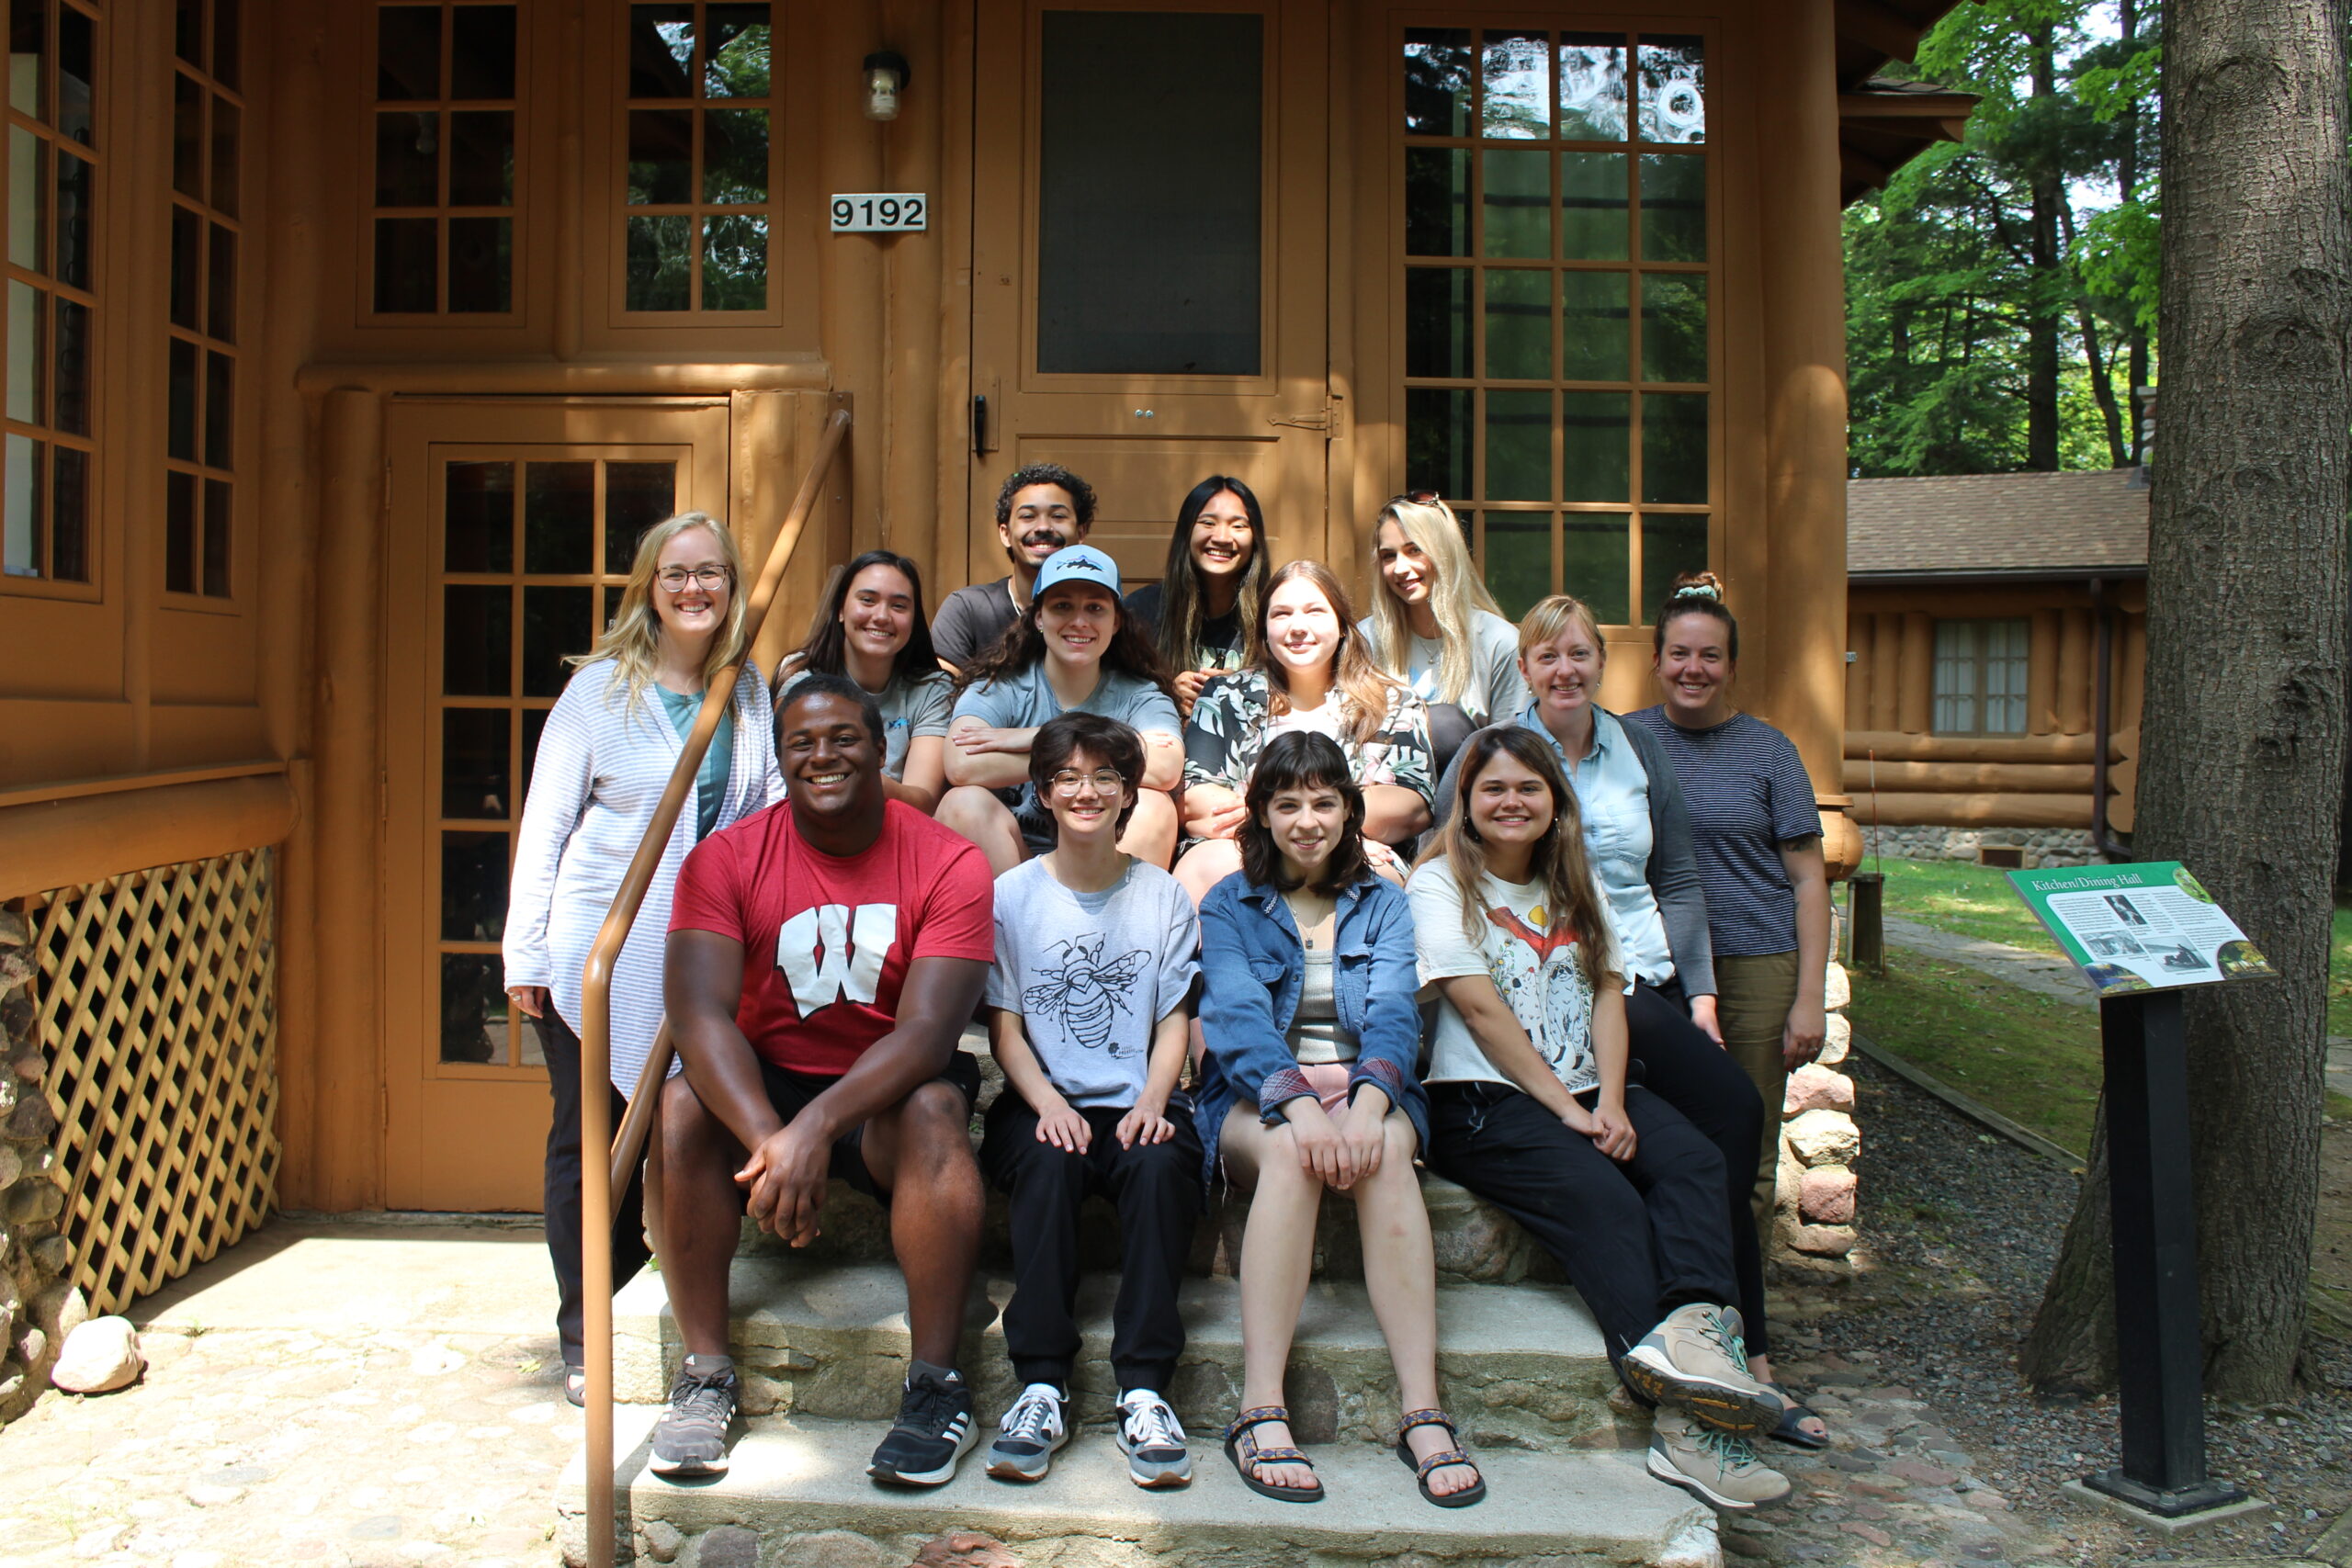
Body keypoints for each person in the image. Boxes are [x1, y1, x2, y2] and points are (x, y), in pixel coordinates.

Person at [1430, 595, 1820, 1448]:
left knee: (1734, 1114)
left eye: (1579, 654)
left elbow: (1677, 877)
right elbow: (1451, 854)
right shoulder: (1495, 756)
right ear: (1524, 668)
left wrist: (1705, 993)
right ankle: (1716, 1343)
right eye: (1547, 656)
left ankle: (1743, 1346)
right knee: (1690, 1140)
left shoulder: (1637, 747)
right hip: (1568, 976)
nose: (1564, 670)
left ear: (1602, 662)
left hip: (1643, 971)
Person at [1407, 728, 1792, 1511]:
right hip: (1485, 1103)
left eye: (1529, 789)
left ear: (1555, 804)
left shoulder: (1577, 884)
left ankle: (1694, 1333)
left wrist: (1611, 1100)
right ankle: (1691, 1433)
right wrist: (1567, 1108)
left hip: (1590, 1088)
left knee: (1691, 1161)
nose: (1511, 802)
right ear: (1467, 804)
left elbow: (1612, 994)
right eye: (1493, 789)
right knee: (1610, 1202)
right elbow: (1478, 1010)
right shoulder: (1439, 882)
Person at [655, 674, 996, 1485]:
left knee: (937, 1111)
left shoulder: (949, 860)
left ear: (882, 751)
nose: (823, 755)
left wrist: (813, 1131)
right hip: (769, 1083)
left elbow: (928, 1032)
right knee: (677, 1105)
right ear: (780, 763)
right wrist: (773, 1139)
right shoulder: (726, 858)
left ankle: (938, 1385)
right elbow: (700, 1017)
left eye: (844, 737)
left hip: (888, 1086)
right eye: (802, 743)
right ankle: (706, 1371)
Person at [501, 510, 780, 1408]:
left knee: (674, 1128)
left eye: (713, 575)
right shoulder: (599, 692)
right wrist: (526, 949)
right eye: (677, 574)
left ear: (733, 590)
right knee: (587, 1138)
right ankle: (587, 1333)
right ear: (649, 591)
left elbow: (768, 812)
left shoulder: (746, 692)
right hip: (599, 947)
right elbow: (546, 821)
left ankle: (661, 1308)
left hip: (705, 955)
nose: (696, 590)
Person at [1193, 733, 1484, 1509]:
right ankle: (1261, 1409)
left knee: (1387, 1152)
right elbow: (1238, 1020)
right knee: (1291, 1156)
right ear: (1259, 812)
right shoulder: (1229, 902)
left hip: (1366, 1089)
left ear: (1351, 811)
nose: (1306, 819)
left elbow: (1393, 1015)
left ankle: (1422, 1410)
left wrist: (1364, 1103)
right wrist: (1296, 1104)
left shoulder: (1383, 902)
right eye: (1286, 802)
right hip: (1256, 1098)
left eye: (1324, 801)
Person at [1627, 574, 1833, 1443]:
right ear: (1658, 660)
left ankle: (1751, 1347)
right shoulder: (1625, 740)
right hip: (1650, 972)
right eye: (1680, 653)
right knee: (1660, 1148)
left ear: (1731, 665)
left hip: (1752, 966)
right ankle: (1676, 1320)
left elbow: (1808, 878)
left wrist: (1810, 993)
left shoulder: (1769, 752)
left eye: (1710, 655)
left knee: (1739, 1156)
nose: (1694, 668)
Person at [978, 713, 1204, 1489]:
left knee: (1161, 1159)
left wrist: (1154, 1098)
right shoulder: (1011, 895)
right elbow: (1004, 1027)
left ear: (1127, 793)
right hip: (1040, 1099)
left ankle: (1143, 1387)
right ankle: (1042, 1383)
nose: (1086, 790)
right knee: (1046, 1160)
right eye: (1068, 777)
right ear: (1042, 792)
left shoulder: (1164, 895)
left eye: (1104, 775)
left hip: (1135, 1098)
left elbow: (1173, 1018)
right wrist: (1045, 1101)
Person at [1177, 560, 1434, 903]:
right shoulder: (1226, 696)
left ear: (1342, 625)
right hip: (1245, 850)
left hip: (1355, 854)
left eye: (1315, 612)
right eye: (1281, 614)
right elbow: (1196, 800)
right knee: (1206, 864)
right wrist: (1280, 825)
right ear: (1265, 630)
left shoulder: (1393, 701)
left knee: (1378, 876)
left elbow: (1411, 803)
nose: (1298, 627)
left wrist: (1275, 811)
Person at [936, 545, 1183, 873]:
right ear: (1039, 617)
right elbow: (960, 764)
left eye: (1095, 608)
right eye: (1063, 606)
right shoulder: (1000, 686)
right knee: (962, 803)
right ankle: (1005, 925)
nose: (1079, 621)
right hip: (1014, 861)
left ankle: (1111, 924)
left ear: (1116, 622)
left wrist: (1039, 738)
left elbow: (1165, 768)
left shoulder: (1140, 694)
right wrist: (1111, 752)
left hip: (1104, 859)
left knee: (1154, 807)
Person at [775, 549, 955, 812]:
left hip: (900, 829)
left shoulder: (932, 689)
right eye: (868, 600)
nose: (882, 616)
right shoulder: (801, 687)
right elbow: (794, 785)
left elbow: (923, 802)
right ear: (840, 610)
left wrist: (854, 778)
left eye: (898, 606)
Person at [1360, 494, 1529, 769]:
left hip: (1467, 798)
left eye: (1415, 550)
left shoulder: (1499, 641)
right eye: (1389, 556)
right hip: (1384, 792)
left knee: (1445, 724)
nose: (1401, 568)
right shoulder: (1366, 639)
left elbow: (1514, 752)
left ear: (1444, 552)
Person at [1125, 475, 1269, 718]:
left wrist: (1242, 687)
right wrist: (1167, 693)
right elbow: (1110, 691)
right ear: (1186, 532)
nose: (1222, 537)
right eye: (1208, 523)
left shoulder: (1275, 613)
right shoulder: (1140, 610)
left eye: (1238, 526)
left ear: (1255, 539)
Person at [933, 463, 1097, 671]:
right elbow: (945, 696)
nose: (1043, 527)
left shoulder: (1101, 616)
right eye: (1028, 516)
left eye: (1058, 516)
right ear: (1005, 533)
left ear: (1081, 532)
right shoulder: (968, 611)